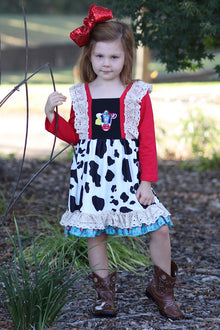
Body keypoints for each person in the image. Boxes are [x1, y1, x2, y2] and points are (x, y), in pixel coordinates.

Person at [44, 4, 183, 320]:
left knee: (159, 228)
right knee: (97, 232)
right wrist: (51, 115)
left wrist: (146, 183)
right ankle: (105, 297)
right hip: (92, 176)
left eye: (114, 57)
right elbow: (76, 135)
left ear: (126, 57)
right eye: (99, 56)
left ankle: (162, 289)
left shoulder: (136, 94)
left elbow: (147, 141)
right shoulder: (82, 94)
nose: (106, 63)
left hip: (129, 177)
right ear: (89, 57)